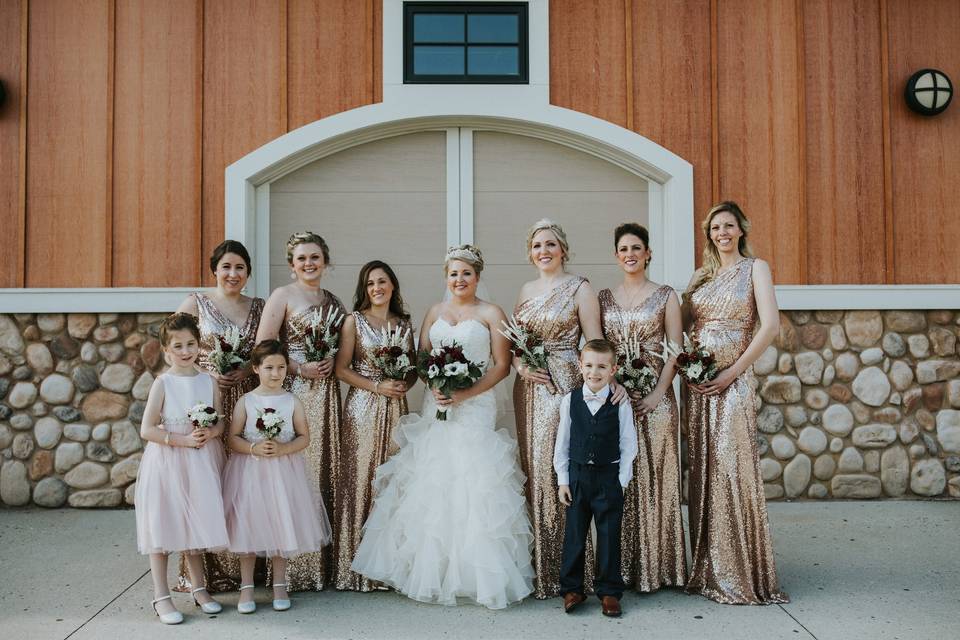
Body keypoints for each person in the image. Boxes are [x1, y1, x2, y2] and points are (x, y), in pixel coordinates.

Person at [351, 245, 534, 610]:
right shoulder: (434, 311)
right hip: (438, 402)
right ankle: (431, 569)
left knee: (473, 479)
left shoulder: (490, 312)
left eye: (466, 273)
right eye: (453, 273)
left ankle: (476, 574)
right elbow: (421, 358)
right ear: (445, 277)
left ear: (478, 276)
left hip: (475, 404)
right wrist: (433, 382)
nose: (459, 279)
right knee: (433, 477)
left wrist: (466, 393)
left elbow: (500, 365)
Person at [683, 201, 789, 605]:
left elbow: (770, 326)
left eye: (728, 225)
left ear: (741, 229)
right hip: (699, 387)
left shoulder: (755, 268)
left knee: (731, 464)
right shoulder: (702, 276)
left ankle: (740, 571)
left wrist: (732, 372)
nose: (721, 232)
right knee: (705, 468)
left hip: (735, 382)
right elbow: (685, 323)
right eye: (714, 227)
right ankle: (709, 567)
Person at [512, 218, 619, 599]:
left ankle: (578, 574)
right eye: (538, 245)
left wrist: (609, 384)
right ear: (530, 253)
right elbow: (515, 345)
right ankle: (547, 569)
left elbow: (594, 341)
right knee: (539, 470)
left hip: (567, 386)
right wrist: (522, 367)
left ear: (564, 250)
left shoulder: (580, 287)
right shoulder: (525, 289)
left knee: (567, 472)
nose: (544, 251)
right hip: (529, 389)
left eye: (551, 244)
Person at [598, 222, 687, 592]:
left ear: (648, 253)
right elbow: (599, 350)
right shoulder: (603, 298)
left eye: (637, 248)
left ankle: (661, 567)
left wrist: (657, 395)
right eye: (623, 249)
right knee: (623, 479)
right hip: (617, 397)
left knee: (658, 479)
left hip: (657, 398)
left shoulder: (666, 295)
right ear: (616, 256)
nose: (630, 254)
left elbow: (675, 350)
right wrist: (614, 384)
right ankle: (623, 568)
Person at [256, 231, 345, 591]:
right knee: (292, 474)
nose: (309, 263)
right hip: (291, 394)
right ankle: (287, 570)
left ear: (325, 261)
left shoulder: (335, 301)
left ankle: (320, 565)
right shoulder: (283, 296)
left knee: (322, 470)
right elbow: (264, 346)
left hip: (326, 395)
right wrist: (297, 368)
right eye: (302, 258)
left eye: (315, 257)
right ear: (292, 264)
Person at [175, 239, 264, 592]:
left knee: (244, 483)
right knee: (206, 482)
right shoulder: (195, 303)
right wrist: (206, 374)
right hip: (205, 402)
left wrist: (247, 372)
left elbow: (269, 351)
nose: (232, 273)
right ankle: (206, 572)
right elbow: (174, 348)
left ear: (248, 273)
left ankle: (247, 566)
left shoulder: (259, 307)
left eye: (239, 267)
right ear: (214, 270)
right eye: (226, 266)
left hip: (245, 400)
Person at [222, 340, 331, 613]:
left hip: (284, 473)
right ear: (256, 369)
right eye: (269, 367)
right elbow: (232, 438)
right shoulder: (246, 401)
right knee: (248, 524)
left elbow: (304, 437)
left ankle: (279, 583)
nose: (276, 373)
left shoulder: (292, 401)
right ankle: (246, 585)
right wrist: (252, 447)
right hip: (250, 473)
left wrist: (283, 448)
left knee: (282, 522)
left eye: (281, 367)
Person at [134, 313, 229, 624]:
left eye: (191, 344)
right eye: (178, 346)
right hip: (169, 461)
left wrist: (211, 433)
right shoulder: (164, 383)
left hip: (201, 460)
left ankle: (199, 588)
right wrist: (183, 440)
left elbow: (221, 422)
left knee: (195, 524)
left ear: (199, 345)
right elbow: (147, 430)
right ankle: (161, 596)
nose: (186, 351)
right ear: (166, 350)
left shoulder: (208, 381)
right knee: (164, 526)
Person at [333, 260, 417, 591]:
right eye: (370, 284)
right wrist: (378, 386)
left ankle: (387, 568)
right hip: (363, 407)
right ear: (364, 290)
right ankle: (351, 567)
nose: (376, 288)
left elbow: (413, 369)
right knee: (360, 478)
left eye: (382, 281)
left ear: (393, 285)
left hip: (396, 406)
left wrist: (403, 383)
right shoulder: (353, 321)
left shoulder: (405, 324)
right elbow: (341, 370)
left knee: (393, 480)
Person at [554, 339, 638, 618]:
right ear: (580, 366)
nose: (594, 372)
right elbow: (562, 442)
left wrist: (621, 481)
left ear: (613, 369)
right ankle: (572, 588)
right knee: (575, 535)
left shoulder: (620, 403)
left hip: (608, 478)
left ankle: (610, 592)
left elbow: (629, 444)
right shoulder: (570, 400)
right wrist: (563, 480)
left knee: (608, 535)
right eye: (589, 365)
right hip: (577, 477)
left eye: (602, 366)